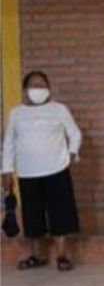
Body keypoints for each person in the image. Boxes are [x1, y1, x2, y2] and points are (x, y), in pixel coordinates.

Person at [2, 71, 83, 271]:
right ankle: (35, 255)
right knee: (32, 215)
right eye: (33, 85)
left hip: (57, 168)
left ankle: (62, 255)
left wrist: (72, 153)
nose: (37, 89)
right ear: (25, 90)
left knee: (60, 213)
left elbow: (75, 133)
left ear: (49, 88)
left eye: (41, 84)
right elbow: (9, 144)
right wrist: (6, 171)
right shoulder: (16, 113)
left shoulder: (59, 110)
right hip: (28, 171)